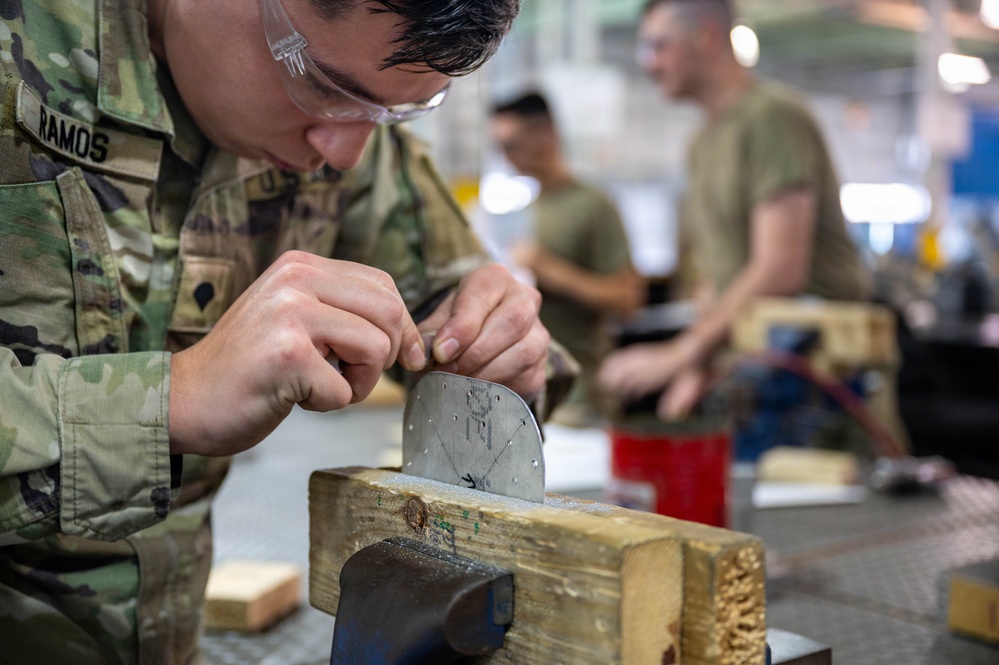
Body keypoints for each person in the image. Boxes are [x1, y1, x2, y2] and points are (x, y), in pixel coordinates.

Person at [0, 1, 575, 662]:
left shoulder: (354, 102)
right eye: (323, 87)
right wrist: (168, 400)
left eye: (394, 115)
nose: (345, 150)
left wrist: (499, 350)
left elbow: (451, 298)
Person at [599, 0, 869, 420]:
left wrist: (680, 354)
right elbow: (716, 278)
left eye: (658, 46)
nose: (649, 64)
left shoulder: (772, 117)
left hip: (820, 378)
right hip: (754, 371)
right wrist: (697, 366)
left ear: (706, 35)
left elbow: (781, 269)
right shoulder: (702, 144)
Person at [490, 92, 644, 427]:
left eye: (511, 144)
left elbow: (628, 298)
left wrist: (554, 272)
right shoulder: (520, 210)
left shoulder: (592, 206)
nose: (506, 157)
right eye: (499, 147)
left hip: (578, 395)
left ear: (545, 135)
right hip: (524, 393)